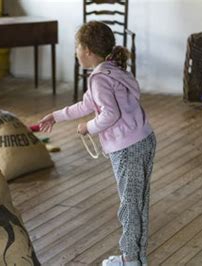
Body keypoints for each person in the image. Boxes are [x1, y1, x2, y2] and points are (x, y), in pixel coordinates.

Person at [38, 21, 156, 266]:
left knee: (129, 204)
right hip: (144, 139)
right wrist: (56, 116)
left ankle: (130, 258)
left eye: (77, 47)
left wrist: (88, 127)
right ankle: (137, 256)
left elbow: (109, 114)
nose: (75, 52)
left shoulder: (99, 79)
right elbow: (87, 105)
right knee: (138, 201)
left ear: (88, 51)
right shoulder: (113, 70)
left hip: (127, 148)